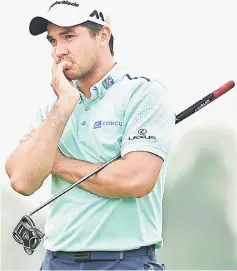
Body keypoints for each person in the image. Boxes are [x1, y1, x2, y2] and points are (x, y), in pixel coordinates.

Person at [5, 0, 176, 270]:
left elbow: (136, 179)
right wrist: (64, 105)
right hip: (56, 261)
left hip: (124, 261)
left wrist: (59, 164)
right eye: (52, 41)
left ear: (103, 35)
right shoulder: (55, 108)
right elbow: (22, 179)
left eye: (69, 36)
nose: (58, 51)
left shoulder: (142, 95)